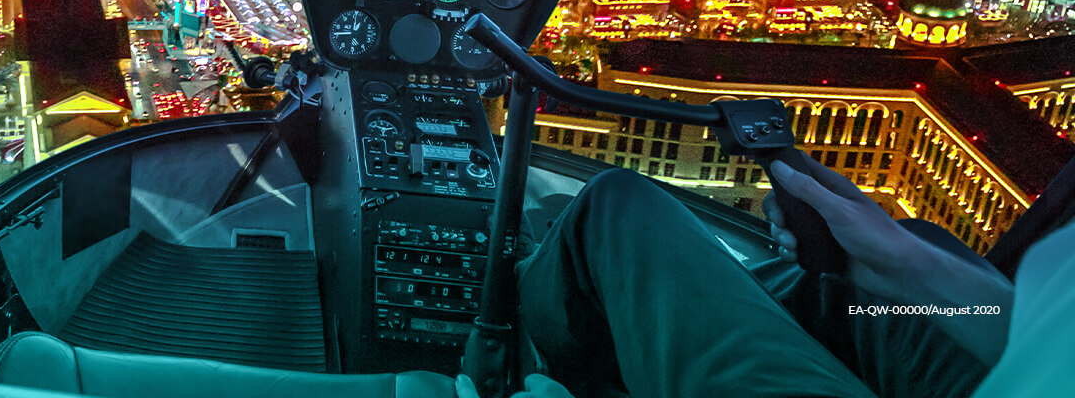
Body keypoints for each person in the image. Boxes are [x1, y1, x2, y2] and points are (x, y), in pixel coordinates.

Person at [448, 155, 1075, 398]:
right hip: (1027, 360)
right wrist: (905, 267)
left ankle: (523, 356)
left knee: (618, 207)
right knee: (882, 265)